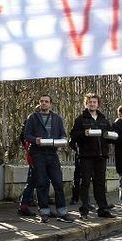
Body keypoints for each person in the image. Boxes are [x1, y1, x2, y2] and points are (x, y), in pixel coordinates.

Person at [24, 95, 75, 223]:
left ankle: (62, 212)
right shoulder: (33, 117)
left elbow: (62, 134)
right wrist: (35, 140)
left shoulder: (57, 118)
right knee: (41, 183)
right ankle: (44, 212)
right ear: (39, 103)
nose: (44, 103)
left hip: (52, 154)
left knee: (58, 182)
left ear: (50, 104)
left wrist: (62, 141)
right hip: (38, 154)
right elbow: (26, 135)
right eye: (42, 101)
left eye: (46, 101)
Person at [70, 93, 115, 218]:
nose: (92, 104)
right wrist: (84, 133)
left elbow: (110, 136)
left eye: (94, 102)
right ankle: (84, 209)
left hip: (101, 156)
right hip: (86, 156)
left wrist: (111, 136)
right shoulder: (80, 119)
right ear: (86, 104)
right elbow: (73, 136)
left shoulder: (103, 120)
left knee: (100, 183)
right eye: (90, 102)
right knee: (85, 182)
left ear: (98, 104)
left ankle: (103, 209)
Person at [17, 118, 37, 217]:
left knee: (34, 180)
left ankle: (26, 202)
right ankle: (24, 204)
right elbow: (24, 138)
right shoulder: (31, 122)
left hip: (34, 154)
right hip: (34, 155)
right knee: (32, 180)